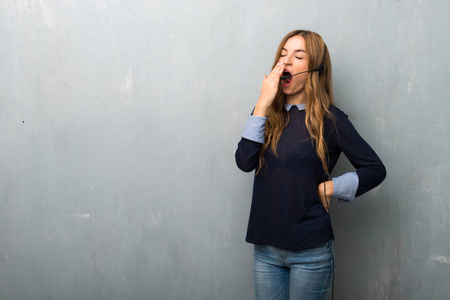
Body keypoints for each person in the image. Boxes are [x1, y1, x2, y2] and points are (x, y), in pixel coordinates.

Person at [235, 30, 386, 300]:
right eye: (282, 55)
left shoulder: (332, 120)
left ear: (314, 68)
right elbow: (244, 161)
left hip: (311, 255)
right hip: (266, 252)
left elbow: (375, 169)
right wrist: (262, 103)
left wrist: (331, 187)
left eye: (298, 55)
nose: (286, 61)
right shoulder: (265, 114)